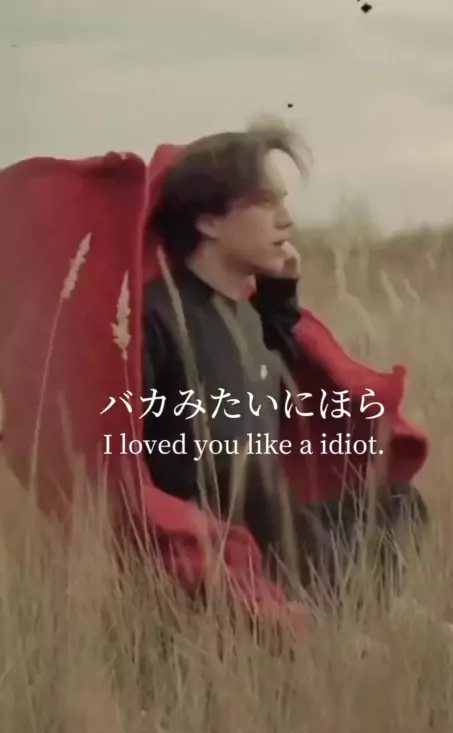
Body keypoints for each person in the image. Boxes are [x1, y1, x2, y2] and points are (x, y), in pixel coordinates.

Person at [142, 119, 429, 605]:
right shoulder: (156, 317)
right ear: (208, 222)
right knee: (258, 482)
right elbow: (119, 459)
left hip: (287, 536)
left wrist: (280, 290)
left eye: (284, 202)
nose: (286, 221)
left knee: (401, 505)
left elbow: (288, 364)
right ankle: (338, 620)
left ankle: (352, 617)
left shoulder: (253, 317)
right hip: (221, 552)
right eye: (266, 202)